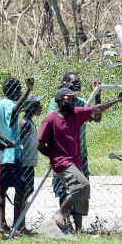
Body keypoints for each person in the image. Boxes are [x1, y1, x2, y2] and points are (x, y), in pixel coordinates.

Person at [38, 87, 122, 232]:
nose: (74, 101)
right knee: (82, 185)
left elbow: (97, 109)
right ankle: (61, 212)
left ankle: (79, 230)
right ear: (61, 100)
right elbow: (40, 143)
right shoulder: (50, 119)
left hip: (76, 161)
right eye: (70, 98)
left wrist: (117, 100)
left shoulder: (76, 114)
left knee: (82, 196)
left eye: (75, 98)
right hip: (63, 163)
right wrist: (54, 156)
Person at [0, 76, 33, 232]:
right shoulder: (10, 104)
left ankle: (1, 224)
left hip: (0, 152)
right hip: (11, 154)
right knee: (21, 188)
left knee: (1, 190)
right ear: (15, 91)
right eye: (19, 89)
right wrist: (28, 91)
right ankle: (18, 224)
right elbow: (14, 112)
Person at [48, 72, 93, 206]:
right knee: (64, 189)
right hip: (63, 154)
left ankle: (77, 224)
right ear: (64, 84)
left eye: (78, 82)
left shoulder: (83, 102)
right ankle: (64, 220)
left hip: (80, 153)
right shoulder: (56, 102)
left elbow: (96, 117)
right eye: (73, 82)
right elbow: (55, 119)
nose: (77, 85)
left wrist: (97, 96)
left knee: (81, 189)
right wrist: (63, 97)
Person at [12, 94, 42, 232]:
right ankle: (18, 224)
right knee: (23, 192)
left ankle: (21, 223)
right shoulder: (24, 123)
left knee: (28, 190)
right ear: (31, 107)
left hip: (29, 163)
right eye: (38, 105)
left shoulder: (30, 122)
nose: (41, 107)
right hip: (24, 163)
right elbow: (17, 142)